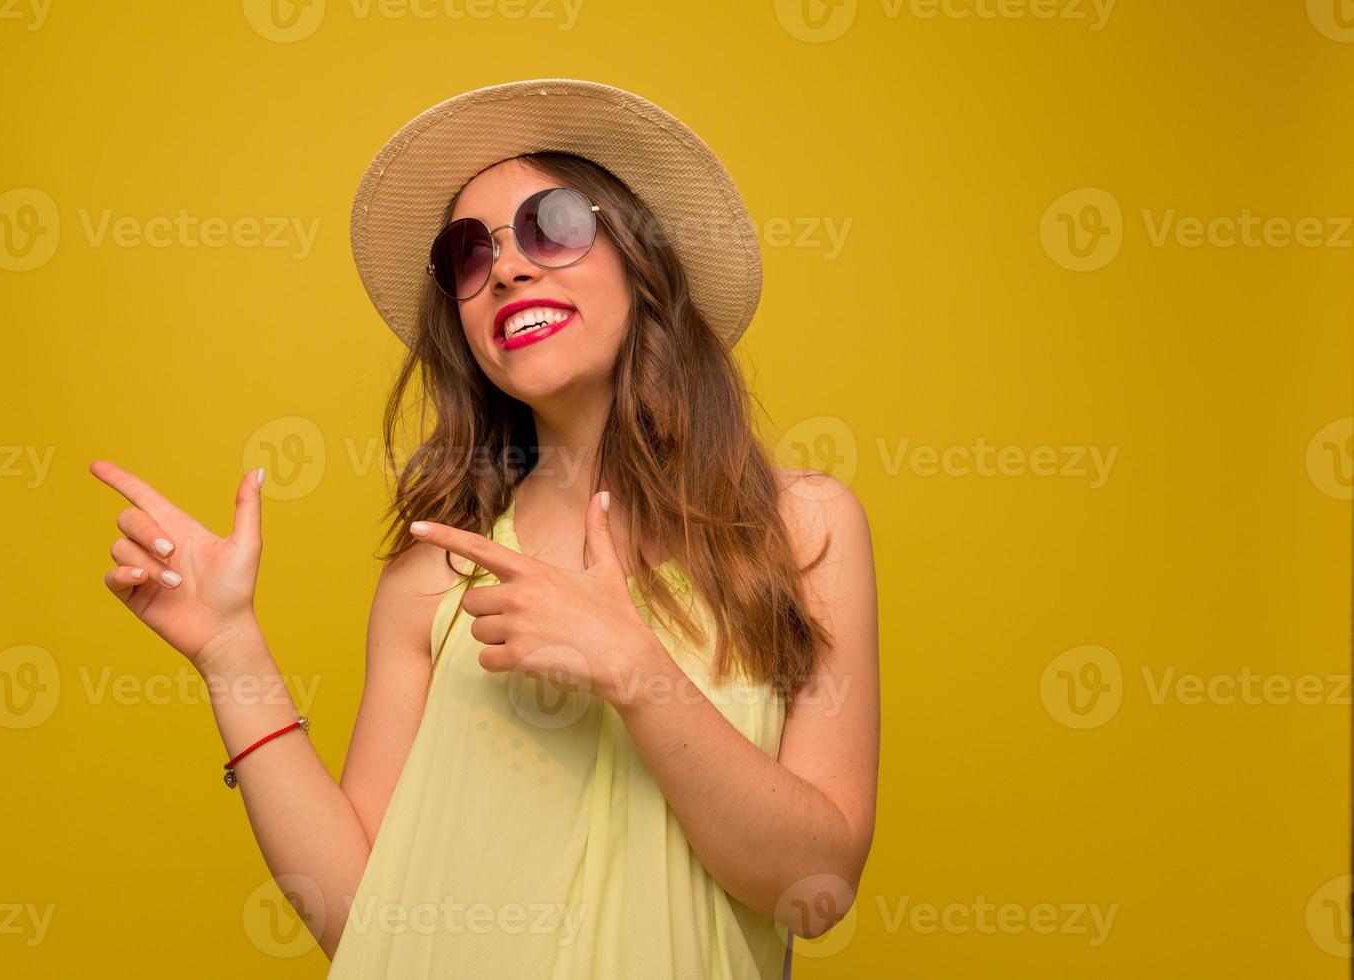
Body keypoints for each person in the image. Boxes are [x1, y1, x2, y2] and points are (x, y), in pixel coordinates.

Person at [90, 78, 879, 980]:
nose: (505, 268)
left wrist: (636, 669)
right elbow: (364, 917)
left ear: (643, 260)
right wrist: (233, 652)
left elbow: (813, 893)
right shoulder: (435, 578)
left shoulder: (803, 530)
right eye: (468, 254)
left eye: (553, 225)